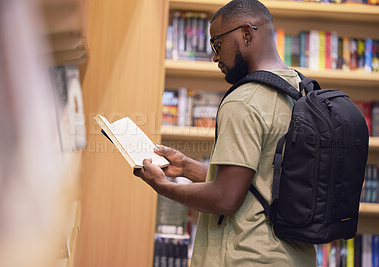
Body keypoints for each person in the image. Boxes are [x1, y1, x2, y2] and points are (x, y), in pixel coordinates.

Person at [134, 0, 317, 266]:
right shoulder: (299, 90)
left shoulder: (244, 100)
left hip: (246, 256)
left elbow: (226, 198)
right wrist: (186, 168)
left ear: (245, 34)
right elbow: (259, 180)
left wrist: (163, 187)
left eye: (217, 44)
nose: (215, 56)